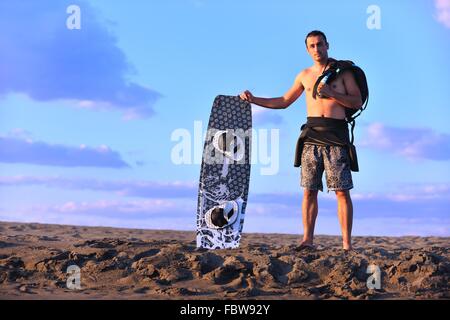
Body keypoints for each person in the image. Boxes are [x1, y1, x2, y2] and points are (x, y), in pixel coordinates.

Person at [239, 30, 363, 250]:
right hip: (312, 137)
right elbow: (284, 101)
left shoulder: (343, 73)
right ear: (307, 50)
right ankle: (307, 240)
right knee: (309, 190)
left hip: (336, 137)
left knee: (342, 191)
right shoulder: (304, 75)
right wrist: (254, 99)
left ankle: (346, 244)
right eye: (312, 46)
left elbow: (356, 102)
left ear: (328, 45)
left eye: (320, 44)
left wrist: (332, 93)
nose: (317, 49)